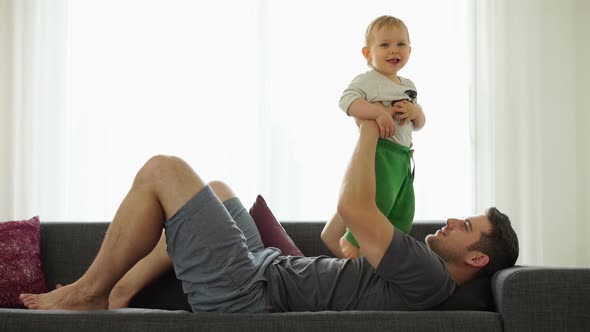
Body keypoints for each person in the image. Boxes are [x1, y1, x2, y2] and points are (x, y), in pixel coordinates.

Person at [20, 120, 519, 312]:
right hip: (260, 269)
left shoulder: (429, 274)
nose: (453, 220)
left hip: (248, 293)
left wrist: (369, 124)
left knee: (163, 170)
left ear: (476, 258)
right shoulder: (413, 275)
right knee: (216, 190)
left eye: (467, 227)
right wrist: (387, 150)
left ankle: (87, 294)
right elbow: (335, 232)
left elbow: (353, 207)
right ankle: (122, 292)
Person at [336, 15, 426, 259]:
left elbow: (419, 124)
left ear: (409, 49)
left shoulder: (408, 84)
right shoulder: (368, 80)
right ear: (368, 53)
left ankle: (387, 252)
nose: (393, 50)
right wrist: (377, 112)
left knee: (403, 209)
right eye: (384, 45)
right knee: (379, 202)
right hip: (381, 151)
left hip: (404, 157)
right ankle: (352, 241)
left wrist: (415, 111)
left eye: (400, 44)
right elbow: (346, 102)